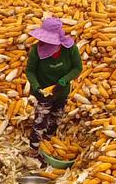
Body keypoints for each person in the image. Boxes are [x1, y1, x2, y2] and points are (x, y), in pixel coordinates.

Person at [26, 15, 83, 151]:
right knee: (40, 121)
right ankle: (34, 149)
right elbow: (30, 71)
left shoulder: (70, 49)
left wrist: (64, 80)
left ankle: (48, 146)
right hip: (41, 92)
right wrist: (36, 87)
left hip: (61, 91)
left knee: (56, 119)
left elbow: (77, 68)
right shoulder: (36, 50)